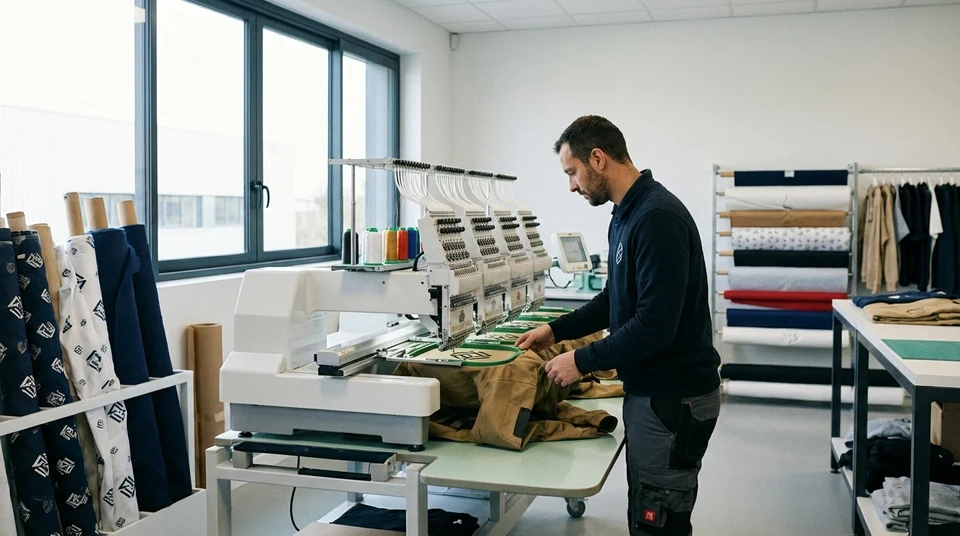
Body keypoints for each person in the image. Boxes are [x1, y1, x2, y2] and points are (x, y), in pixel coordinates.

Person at [516, 115, 722, 536]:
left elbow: (654, 325)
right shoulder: (625, 215)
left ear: (598, 158)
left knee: (658, 520)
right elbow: (614, 299)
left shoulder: (656, 218)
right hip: (655, 393)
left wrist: (582, 361)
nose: (571, 185)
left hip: (672, 400)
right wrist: (556, 331)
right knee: (647, 509)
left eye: (572, 173)